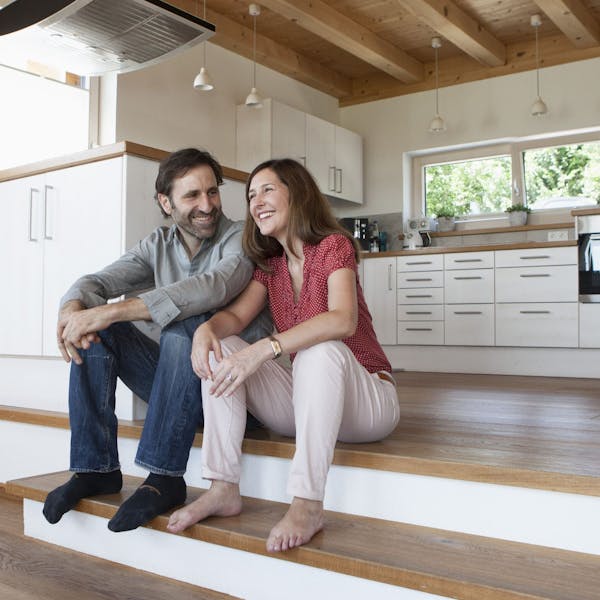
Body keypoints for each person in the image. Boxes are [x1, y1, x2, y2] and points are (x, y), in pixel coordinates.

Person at [166, 158, 400, 552]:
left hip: (368, 405)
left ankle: (308, 503)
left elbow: (342, 320)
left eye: (267, 190)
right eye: (251, 195)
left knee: (320, 348)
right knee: (222, 347)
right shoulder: (271, 265)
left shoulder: (333, 246)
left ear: (298, 193)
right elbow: (236, 317)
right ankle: (223, 486)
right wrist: (205, 331)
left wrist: (268, 348)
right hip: (310, 404)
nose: (257, 201)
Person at [42, 148, 272, 532]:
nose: (207, 205)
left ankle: (164, 478)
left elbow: (212, 288)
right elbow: (97, 282)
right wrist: (73, 310)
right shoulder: (159, 244)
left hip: (233, 400)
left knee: (189, 322)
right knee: (98, 332)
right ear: (166, 202)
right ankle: (95, 468)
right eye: (192, 196)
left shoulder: (241, 237)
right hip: (178, 391)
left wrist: (113, 310)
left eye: (212, 192)